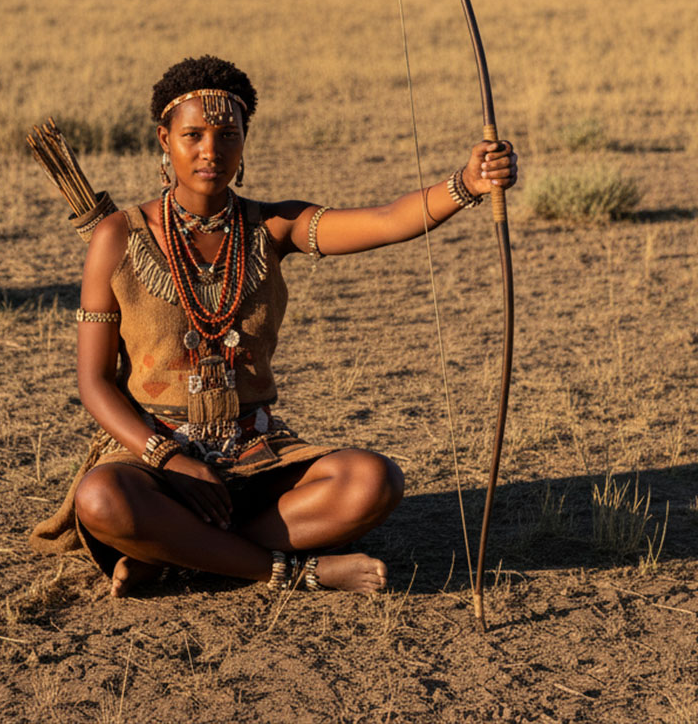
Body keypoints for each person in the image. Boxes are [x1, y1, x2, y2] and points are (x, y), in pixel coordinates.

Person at [32, 54, 517, 598]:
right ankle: (287, 570)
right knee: (101, 499)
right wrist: (172, 461)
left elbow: (384, 221)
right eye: (192, 135)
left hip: (255, 454)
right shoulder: (118, 236)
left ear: (245, 143)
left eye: (227, 134)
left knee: (373, 482)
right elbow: (93, 382)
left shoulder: (273, 226)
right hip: (154, 460)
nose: (210, 151)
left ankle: (173, 553)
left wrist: (467, 184)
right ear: (163, 141)